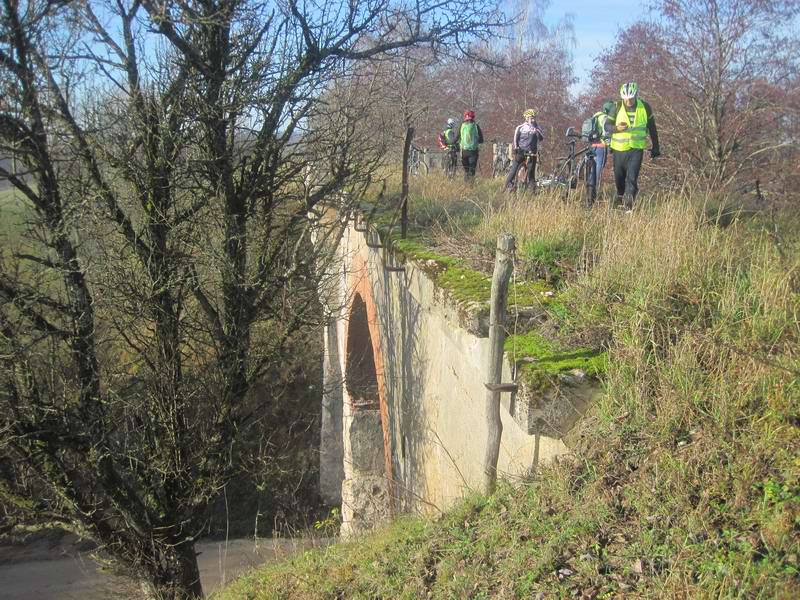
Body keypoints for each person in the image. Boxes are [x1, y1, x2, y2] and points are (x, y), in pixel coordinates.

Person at [609, 82, 660, 211]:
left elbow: (652, 128)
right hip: (619, 150)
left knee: (631, 180)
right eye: (625, 99)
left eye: (631, 98)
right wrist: (616, 128)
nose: (628, 101)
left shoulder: (645, 107)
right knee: (619, 180)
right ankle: (620, 199)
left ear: (636, 95)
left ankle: (628, 209)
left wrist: (656, 147)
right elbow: (606, 126)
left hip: (636, 150)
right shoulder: (616, 106)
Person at [504, 108, 544, 192]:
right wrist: (516, 148)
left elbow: (541, 138)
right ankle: (507, 186)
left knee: (531, 172)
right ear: (526, 118)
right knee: (514, 169)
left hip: (532, 152)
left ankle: (532, 190)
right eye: (531, 118)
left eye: (534, 118)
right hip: (521, 151)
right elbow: (515, 138)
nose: (533, 120)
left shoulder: (537, 127)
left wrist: (536, 131)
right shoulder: (520, 127)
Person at [587, 100, 615, 200]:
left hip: (592, 145)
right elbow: (606, 133)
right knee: (598, 170)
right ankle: (594, 194)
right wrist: (611, 145)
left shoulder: (596, 116)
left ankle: (589, 191)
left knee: (591, 170)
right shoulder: (605, 118)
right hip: (601, 147)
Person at [459, 110, 484, 183]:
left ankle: (465, 186)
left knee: (466, 170)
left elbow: (457, 137)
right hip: (473, 152)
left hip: (464, 152)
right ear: (473, 117)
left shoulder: (462, 125)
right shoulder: (476, 126)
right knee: (472, 170)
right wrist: (476, 141)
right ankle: (471, 186)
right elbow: (481, 140)